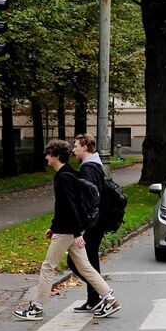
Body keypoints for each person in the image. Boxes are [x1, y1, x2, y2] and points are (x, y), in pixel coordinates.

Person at [14, 140, 119, 321]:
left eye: (48, 154)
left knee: (48, 267)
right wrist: (53, 227)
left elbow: (71, 206)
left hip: (68, 231)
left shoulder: (63, 177)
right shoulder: (69, 173)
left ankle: (37, 308)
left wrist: (76, 233)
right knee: (85, 267)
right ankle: (109, 299)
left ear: (56, 155)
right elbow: (62, 207)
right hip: (67, 229)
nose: (46, 157)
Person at [66, 134, 108, 313]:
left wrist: (81, 226)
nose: (73, 149)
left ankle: (100, 295)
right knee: (89, 260)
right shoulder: (95, 166)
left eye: (75, 146)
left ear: (85, 147)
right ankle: (94, 299)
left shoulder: (88, 169)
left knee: (75, 261)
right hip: (98, 222)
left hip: (91, 224)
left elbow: (88, 200)